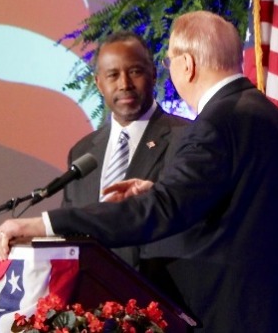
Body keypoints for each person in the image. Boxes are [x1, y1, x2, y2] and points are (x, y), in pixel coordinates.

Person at [0, 10, 278, 332]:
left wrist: (43, 223)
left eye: (169, 62)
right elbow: (233, 214)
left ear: (187, 65)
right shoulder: (272, 117)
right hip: (273, 314)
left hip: (228, 317)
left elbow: (163, 212)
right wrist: (159, 190)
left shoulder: (213, 125)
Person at [62, 30, 189, 268]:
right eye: (113, 75)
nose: (125, 84)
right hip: (94, 297)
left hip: (162, 295)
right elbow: (71, 232)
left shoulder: (186, 138)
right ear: (99, 84)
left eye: (135, 72)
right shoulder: (82, 152)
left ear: (153, 73)